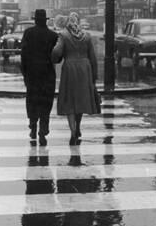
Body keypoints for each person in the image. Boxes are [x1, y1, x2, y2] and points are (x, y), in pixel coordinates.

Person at [52, 12, 98, 145]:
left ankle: (72, 132)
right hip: (85, 69)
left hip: (70, 69)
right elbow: (93, 58)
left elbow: (56, 52)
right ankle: (78, 127)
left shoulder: (63, 35)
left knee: (70, 102)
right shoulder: (86, 36)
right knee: (81, 99)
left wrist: (54, 58)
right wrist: (94, 77)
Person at [21, 9, 58, 146]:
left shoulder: (28, 34)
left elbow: (23, 55)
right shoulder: (53, 36)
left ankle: (33, 125)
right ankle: (43, 129)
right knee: (46, 101)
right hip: (47, 74)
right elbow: (57, 57)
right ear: (46, 20)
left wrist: (24, 73)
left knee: (32, 100)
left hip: (32, 73)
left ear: (35, 20)